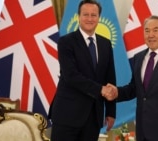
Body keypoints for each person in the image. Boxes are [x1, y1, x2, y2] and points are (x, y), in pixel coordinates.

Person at [103, 15, 158, 141]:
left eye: (155, 30)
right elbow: (134, 89)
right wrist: (116, 92)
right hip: (142, 129)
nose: (151, 35)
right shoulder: (138, 58)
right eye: (147, 31)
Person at [49, 0, 116, 141]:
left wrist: (111, 111)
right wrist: (100, 90)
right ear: (78, 16)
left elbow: (110, 78)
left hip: (93, 117)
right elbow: (71, 76)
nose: (90, 19)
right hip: (67, 115)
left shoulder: (105, 43)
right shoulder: (66, 42)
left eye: (94, 15)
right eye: (86, 15)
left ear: (99, 18)